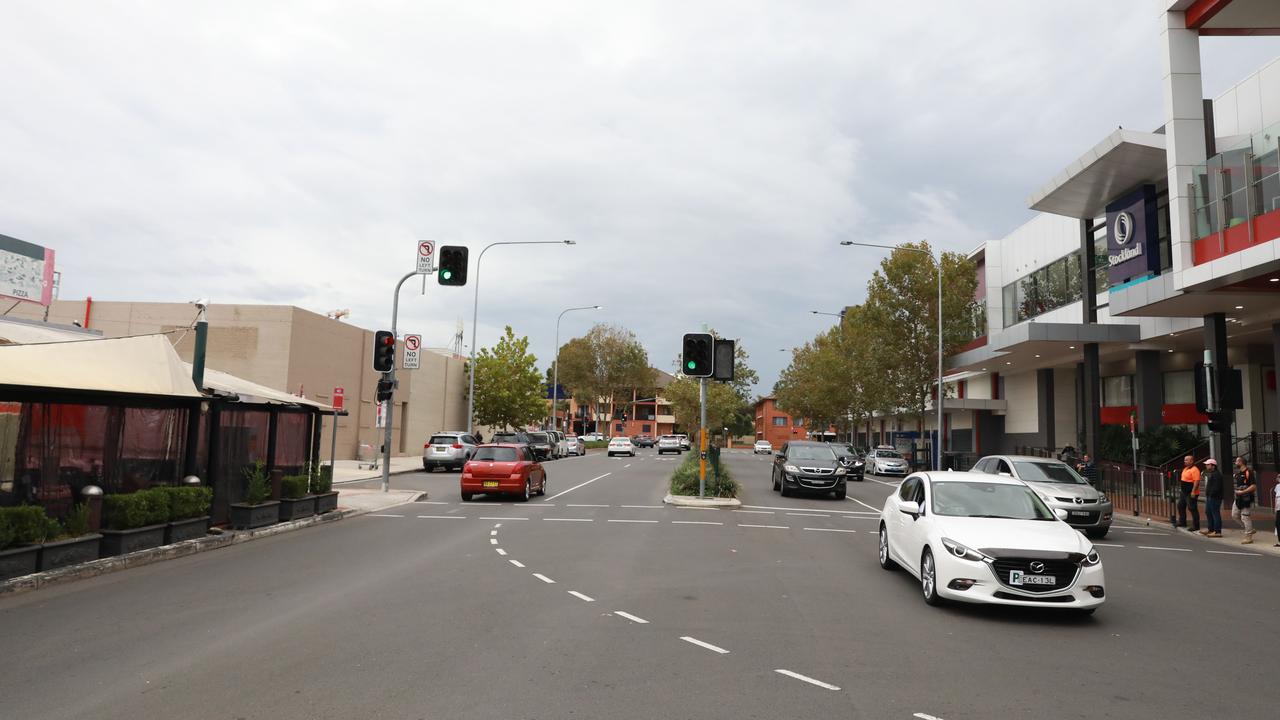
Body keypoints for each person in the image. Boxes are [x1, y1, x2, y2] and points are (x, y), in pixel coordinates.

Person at [1231, 456, 1257, 545]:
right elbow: (1238, 478)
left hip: (1246, 498)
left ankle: (1248, 536)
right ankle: (1249, 528)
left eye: (1236, 461)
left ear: (1241, 462)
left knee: (1245, 517)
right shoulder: (1239, 473)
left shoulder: (1249, 472)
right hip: (1238, 498)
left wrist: (1242, 492)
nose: (1235, 463)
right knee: (1234, 515)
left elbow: (1253, 486)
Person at [1199, 458, 1224, 538]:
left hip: (1214, 497)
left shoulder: (1217, 474)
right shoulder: (1213, 473)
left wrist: (1211, 494)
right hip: (1210, 497)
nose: (1206, 466)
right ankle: (1211, 529)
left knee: (1215, 513)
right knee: (1208, 512)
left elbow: (1217, 487)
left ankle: (1217, 531)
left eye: (1207, 464)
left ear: (1213, 466)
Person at [1176, 454, 1201, 532]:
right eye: (1184, 460)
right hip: (1184, 492)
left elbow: (1196, 481)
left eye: (1186, 460)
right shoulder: (1186, 468)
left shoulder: (1195, 469)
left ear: (1191, 461)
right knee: (1180, 505)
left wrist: (1193, 491)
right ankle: (1182, 522)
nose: (1185, 461)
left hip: (1191, 492)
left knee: (1192, 508)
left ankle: (1196, 526)